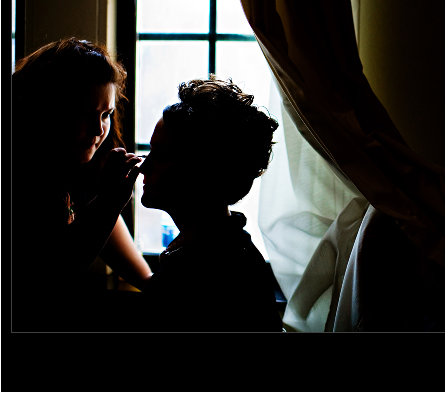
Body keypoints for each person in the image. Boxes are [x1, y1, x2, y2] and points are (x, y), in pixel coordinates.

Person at [12, 37, 153, 331]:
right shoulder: (16, 177)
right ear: (45, 108)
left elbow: (101, 221)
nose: (99, 129)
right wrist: (110, 202)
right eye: (84, 114)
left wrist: (155, 286)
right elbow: (49, 274)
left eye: (107, 114)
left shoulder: (77, 162)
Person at [139, 76, 283, 332]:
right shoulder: (217, 250)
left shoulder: (208, 275)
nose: (144, 166)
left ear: (201, 171)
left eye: (160, 155)